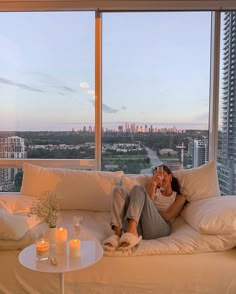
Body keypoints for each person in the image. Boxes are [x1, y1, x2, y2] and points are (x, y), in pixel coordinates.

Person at [103, 165, 186, 252]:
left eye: (163, 175)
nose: (160, 178)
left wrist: (142, 207)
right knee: (118, 190)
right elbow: (146, 204)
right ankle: (117, 234)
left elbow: (167, 216)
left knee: (138, 188)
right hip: (140, 225)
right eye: (157, 175)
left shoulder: (179, 197)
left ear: (170, 177)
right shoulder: (151, 187)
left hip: (159, 228)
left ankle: (131, 231)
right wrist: (153, 185)